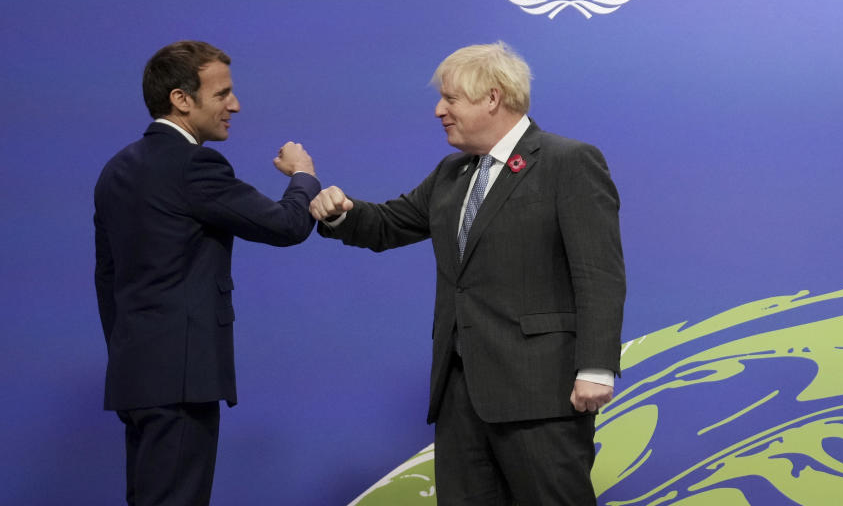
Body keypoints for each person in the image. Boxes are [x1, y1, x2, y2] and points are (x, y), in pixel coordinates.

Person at [310, 42, 625, 505]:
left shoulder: (568, 161)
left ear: (492, 98)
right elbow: (389, 223)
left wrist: (596, 367)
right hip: (460, 396)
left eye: (450, 99)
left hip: (541, 392)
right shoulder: (452, 172)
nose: (439, 111)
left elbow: (599, 271)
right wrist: (338, 212)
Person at [94, 40, 322, 505]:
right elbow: (287, 225)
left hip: (135, 377)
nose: (234, 105)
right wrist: (303, 176)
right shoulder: (194, 164)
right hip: (181, 381)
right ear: (181, 99)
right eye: (222, 94)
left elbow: (107, 280)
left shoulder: (116, 170)